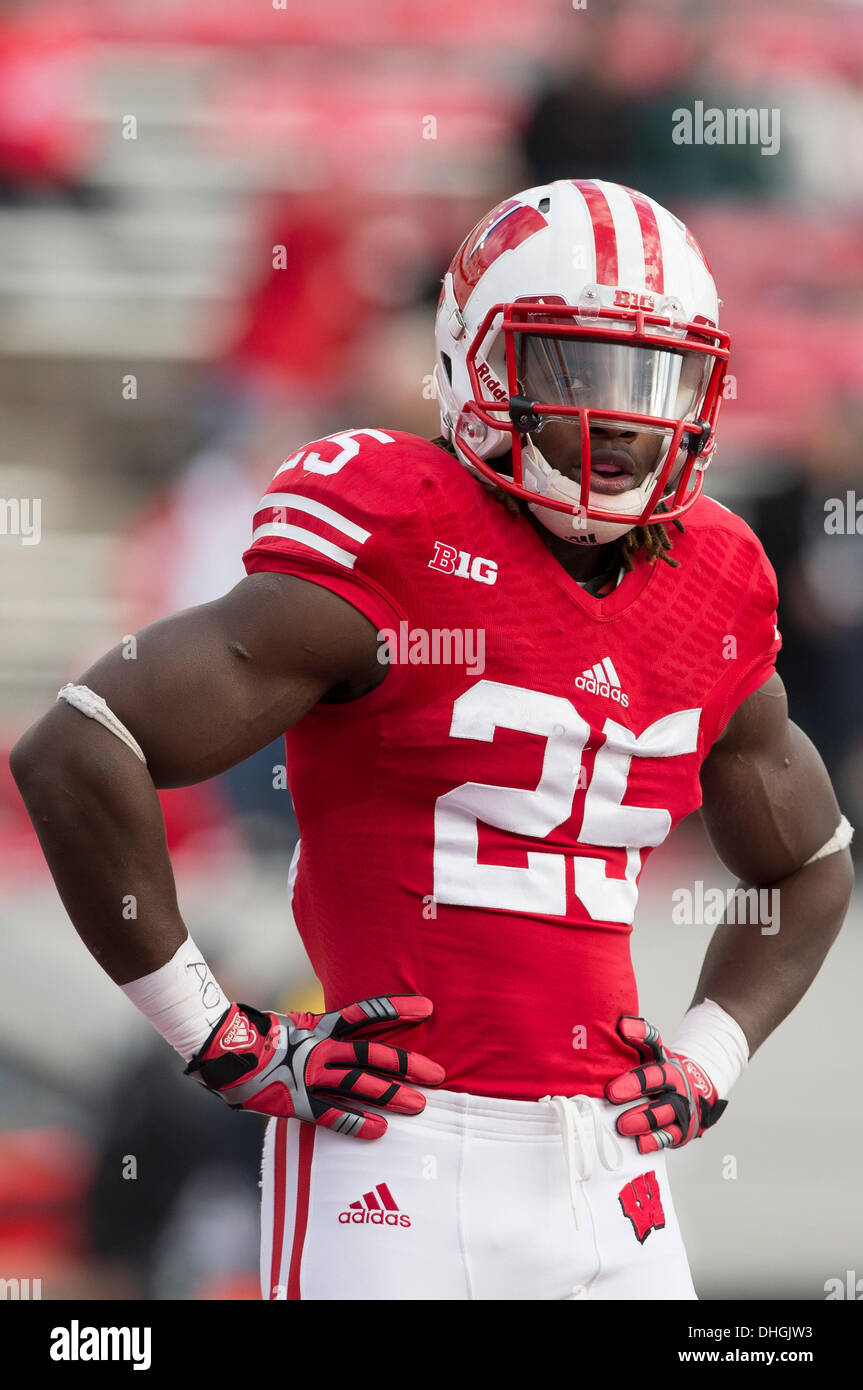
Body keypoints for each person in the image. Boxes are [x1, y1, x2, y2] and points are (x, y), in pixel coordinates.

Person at [12, 179, 853, 1301]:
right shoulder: (395, 523)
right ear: (481, 363)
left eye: (653, 376)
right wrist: (215, 1033)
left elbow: (808, 860)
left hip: (609, 1160)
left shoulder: (713, 576)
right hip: (398, 1152)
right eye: (576, 368)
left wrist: (711, 1049)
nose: (624, 419)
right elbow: (78, 742)